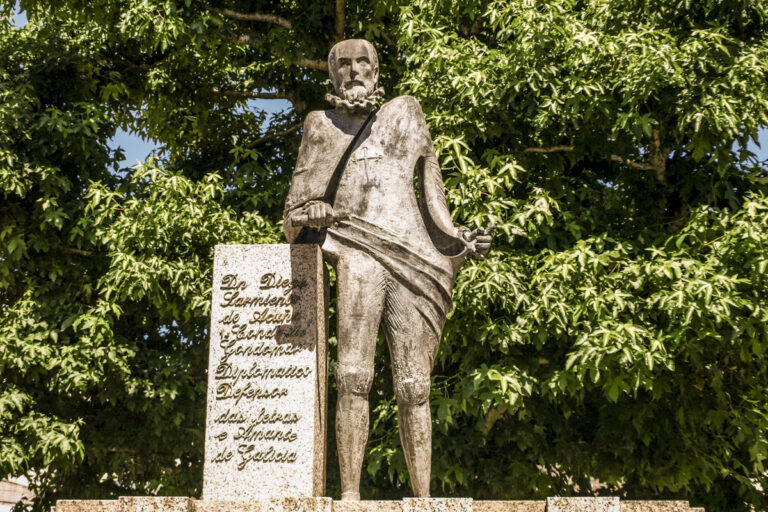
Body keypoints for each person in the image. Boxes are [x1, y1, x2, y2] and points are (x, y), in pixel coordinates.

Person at [283, 39, 492, 500]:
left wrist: (459, 237)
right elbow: (291, 219)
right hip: (354, 250)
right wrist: (312, 211)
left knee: (415, 385)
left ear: (376, 71)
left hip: (411, 255)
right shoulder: (319, 126)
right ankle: (351, 497)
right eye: (343, 64)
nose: (353, 71)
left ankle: (422, 498)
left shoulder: (406, 113)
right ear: (333, 75)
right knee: (353, 377)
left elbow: (432, 191)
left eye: (362, 63)